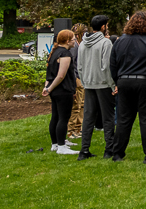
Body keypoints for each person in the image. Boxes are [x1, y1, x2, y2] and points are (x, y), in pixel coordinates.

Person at [110, 11, 146, 163]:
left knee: (124, 119)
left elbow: (112, 63)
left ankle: (117, 153)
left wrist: (117, 81)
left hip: (124, 81)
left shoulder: (119, 42)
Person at [76, 15, 116, 160]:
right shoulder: (105, 43)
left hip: (89, 84)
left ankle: (84, 150)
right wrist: (112, 85)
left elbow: (79, 66)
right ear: (103, 27)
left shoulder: (82, 44)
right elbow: (106, 67)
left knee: (88, 117)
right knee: (108, 117)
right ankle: (109, 149)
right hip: (103, 84)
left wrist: (85, 81)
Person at [43, 29, 78, 155]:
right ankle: (62, 147)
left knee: (56, 116)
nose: (75, 41)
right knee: (63, 118)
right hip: (63, 90)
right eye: (74, 39)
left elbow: (49, 75)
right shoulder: (65, 54)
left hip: (55, 91)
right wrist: (49, 88)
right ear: (67, 41)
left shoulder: (54, 52)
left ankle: (55, 143)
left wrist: (47, 87)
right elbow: (61, 76)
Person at [66, 23, 88, 139]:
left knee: (82, 105)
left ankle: (78, 128)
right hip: (77, 79)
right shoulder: (74, 47)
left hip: (81, 78)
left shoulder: (80, 45)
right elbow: (72, 63)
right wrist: (75, 79)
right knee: (76, 106)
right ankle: (71, 130)